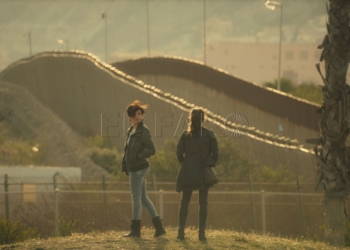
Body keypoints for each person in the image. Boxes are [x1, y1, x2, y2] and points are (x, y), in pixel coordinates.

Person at [122, 100, 166, 238]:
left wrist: (138, 156)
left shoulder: (143, 131)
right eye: (134, 114)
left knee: (136, 198)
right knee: (144, 199)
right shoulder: (130, 131)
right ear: (129, 116)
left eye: (139, 114)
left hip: (139, 168)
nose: (137, 116)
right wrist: (125, 164)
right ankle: (159, 228)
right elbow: (128, 150)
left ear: (142, 115)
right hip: (134, 168)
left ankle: (135, 230)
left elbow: (152, 149)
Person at [175, 108, 219, 241]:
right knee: (203, 203)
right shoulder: (210, 134)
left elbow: (178, 154)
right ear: (203, 119)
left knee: (184, 202)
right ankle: (201, 233)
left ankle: (181, 232)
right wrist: (207, 164)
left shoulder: (185, 135)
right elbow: (215, 155)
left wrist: (186, 164)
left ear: (191, 119)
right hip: (202, 173)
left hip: (187, 172)